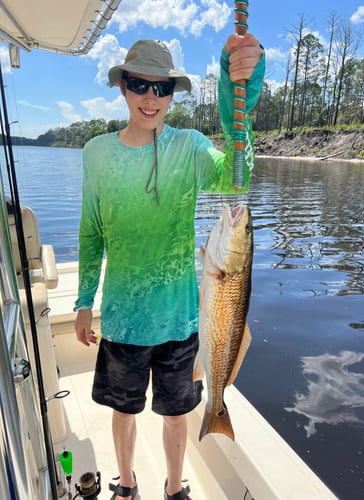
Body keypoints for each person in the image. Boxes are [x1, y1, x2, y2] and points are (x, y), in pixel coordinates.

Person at [74, 34, 265, 500]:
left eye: (162, 88)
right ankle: (127, 482)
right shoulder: (96, 154)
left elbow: (236, 174)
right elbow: (91, 232)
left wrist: (241, 82)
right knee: (124, 412)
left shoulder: (191, 147)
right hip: (121, 318)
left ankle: (175, 487)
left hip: (181, 318)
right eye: (140, 84)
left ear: (173, 94)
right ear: (123, 87)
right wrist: (82, 301)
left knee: (177, 414)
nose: (150, 97)